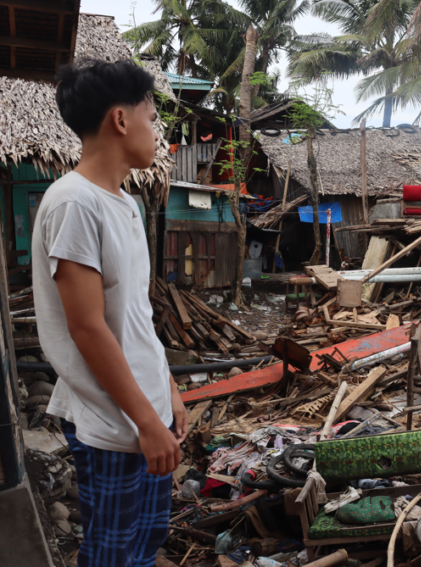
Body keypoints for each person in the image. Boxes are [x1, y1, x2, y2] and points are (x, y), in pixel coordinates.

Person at [32, 59, 189, 567]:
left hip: (145, 413)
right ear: (120, 120)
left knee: (143, 546)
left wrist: (166, 390)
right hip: (113, 422)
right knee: (110, 555)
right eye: (152, 117)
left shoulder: (125, 204)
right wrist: (145, 420)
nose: (157, 132)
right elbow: (87, 326)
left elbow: (135, 313)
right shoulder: (73, 203)